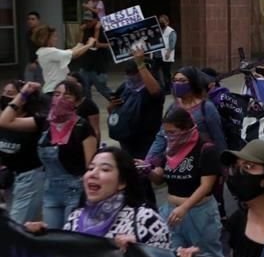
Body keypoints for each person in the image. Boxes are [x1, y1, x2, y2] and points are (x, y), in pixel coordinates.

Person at [25, 147, 170, 248]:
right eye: (90, 168)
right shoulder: (75, 217)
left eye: (105, 169)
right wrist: (38, 240)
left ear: (122, 182)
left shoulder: (145, 220)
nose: (93, 174)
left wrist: (138, 253)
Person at [0, 80, 97, 229]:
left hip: (75, 191)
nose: (60, 99)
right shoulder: (44, 122)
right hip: (50, 190)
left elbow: (90, 166)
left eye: (67, 96)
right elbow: (5, 121)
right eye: (57, 94)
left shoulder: (82, 127)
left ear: (77, 102)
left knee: (70, 237)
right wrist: (23, 93)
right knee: (51, 237)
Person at [148, 108, 223, 257]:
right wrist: (147, 171)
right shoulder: (170, 150)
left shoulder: (205, 149)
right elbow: (159, 178)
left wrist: (184, 207)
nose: (168, 137)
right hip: (171, 212)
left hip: (199, 213)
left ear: (186, 129)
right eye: (166, 132)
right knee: (172, 254)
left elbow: (206, 186)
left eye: (172, 132)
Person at [147, 66, 227, 160]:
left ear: (193, 83)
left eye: (182, 80)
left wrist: (224, 163)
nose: (177, 84)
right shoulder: (173, 107)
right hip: (177, 161)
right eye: (175, 80)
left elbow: (218, 137)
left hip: (200, 161)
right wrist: (149, 159)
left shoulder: (206, 108)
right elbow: (162, 136)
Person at [107, 50, 165, 159]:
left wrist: (140, 64)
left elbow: (156, 92)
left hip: (146, 141)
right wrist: (112, 108)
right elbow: (114, 110)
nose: (131, 77)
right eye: (129, 74)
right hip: (127, 139)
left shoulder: (151, 89)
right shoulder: (125, 87)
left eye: (135, 74)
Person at [0, 80, 44, 224]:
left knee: (17, 226)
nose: (5, 97)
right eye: (4, 93)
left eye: (10, 94)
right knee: (13, 223)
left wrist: (24, 93)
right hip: (9, 179)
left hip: (29, 179)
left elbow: (6, 121)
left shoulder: (34, 121)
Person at [32, 25, 96, 95]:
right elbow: (74, 54)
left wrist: (82, 43)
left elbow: (70, 51)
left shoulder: (44, 51)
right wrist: (89, 45)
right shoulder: (49, 51)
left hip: (55, 90)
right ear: (45, 38)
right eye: (53, 36)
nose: (56, 39)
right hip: (54, 90)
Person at [23, 11, 43, 84]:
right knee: (28, 83)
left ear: (38, 21)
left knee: (39, 84)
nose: (30, 21)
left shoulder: (42, 33)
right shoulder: (28, 33)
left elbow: (44, 49)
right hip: (31, 62)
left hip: (40, 63)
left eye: (33, 19)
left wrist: (36, 62)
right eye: (29, 19)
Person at [159, 15, 177, 92]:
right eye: (160, 22)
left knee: (166, 73)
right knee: (154, 71)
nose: (161, 23)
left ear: (167, 22)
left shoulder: (171, 31)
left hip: (166, 55)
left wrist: (168, 52)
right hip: (157, 55)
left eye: (163, 22)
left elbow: (172, 43)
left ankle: (168, 88)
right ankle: (161, 86)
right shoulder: (159, 30)